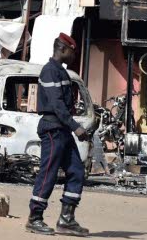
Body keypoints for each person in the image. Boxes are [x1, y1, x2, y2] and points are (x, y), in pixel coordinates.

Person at [26, 33, 90, 237]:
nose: (74, 56)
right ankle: (34, 218)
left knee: (76, 171)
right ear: (63, 49)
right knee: (49, 173)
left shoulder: (61, 72)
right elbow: (57, 105)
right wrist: (75, 127)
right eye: (72, 52)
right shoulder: (50, 71)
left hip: (62, 129)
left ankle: (66, 220)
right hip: (53, 129)